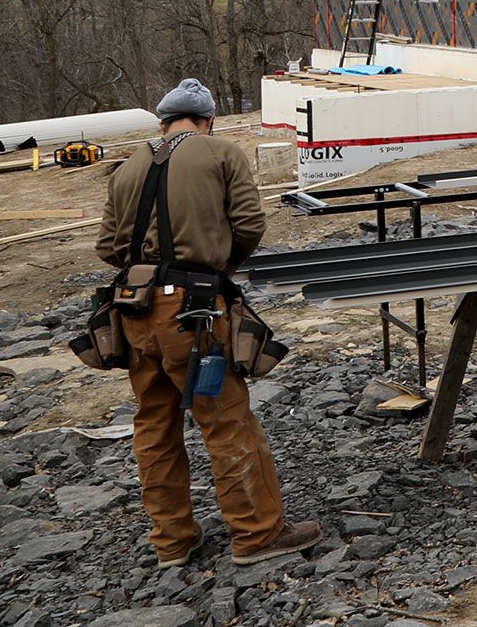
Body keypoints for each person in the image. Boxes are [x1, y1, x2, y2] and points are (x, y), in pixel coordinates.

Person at [96, 80, 318, 568]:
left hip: (134, 312)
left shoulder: (127, 166)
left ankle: (172, 542)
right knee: (226, 421)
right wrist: (221, 269)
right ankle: (257, 534)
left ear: (162, 122)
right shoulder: (221, 153)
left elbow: (109, 247)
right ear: (208, 120)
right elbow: (250, 224)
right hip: (194, 313)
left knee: (154, 425)